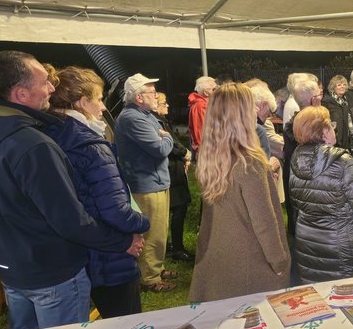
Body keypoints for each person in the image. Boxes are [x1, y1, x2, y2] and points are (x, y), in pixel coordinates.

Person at [0, 51, 142, 329]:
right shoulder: (34, 145)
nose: (51, 88)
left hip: (15, 268)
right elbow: (71, 220)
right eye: (45, 82)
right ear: (21, 93)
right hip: (52, 272)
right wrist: (121, 242)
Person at [44, 66, 150, 317]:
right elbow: (116, 210)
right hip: (110, 254)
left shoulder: (51, 133)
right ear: (82, 102)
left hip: (79, 251)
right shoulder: (90, 144)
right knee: (127, 328)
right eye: (99, 100)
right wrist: (143, 223)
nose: (103, 108)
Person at [189, 83, 291, 301]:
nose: (255, 111)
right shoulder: (249, 162)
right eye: (250, 106)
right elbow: (264, 222)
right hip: (251, 265)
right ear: (240, 115)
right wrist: (279, 261)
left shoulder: (212, 158)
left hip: (219, 259)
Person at [289, 106, 353, 283]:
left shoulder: (295, 159)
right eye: (331, 125)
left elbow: (297, 206)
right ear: (323, 131)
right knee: (348, 296)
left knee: (319, 299)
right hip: (344, 246)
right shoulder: (343, 162)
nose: (334, 129)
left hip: (308, 244)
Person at [116, 73, 177, 293]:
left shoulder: (144, 115)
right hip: (146, 183)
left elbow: (160, 141)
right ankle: (149, 278)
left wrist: (163, 136)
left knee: (159, 231)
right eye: (151, 92)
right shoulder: (133, 118)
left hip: (155, 181)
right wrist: (167, 137)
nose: (155, 96)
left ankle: (155, 268)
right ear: (139, 97)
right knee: (152, 233)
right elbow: (160, 148)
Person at [154, 92, 194, 262]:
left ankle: (170, 245)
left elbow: (173, 141)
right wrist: (185, 153)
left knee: (176, 209)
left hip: (173, 171)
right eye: (164, 103)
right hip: (171, 172)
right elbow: (170, 144)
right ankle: (176, 248)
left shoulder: (161, 121)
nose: (167, 106)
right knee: (177, 209)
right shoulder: (155, 122)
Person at [283, 73, 323, 242]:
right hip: (310, 190)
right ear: (314, 100)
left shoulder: (293, 124)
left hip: (293, 183)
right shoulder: (314, 128)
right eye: (319, 95)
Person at [321, 74, 353, 152]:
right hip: (335, 141)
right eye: (339, 85)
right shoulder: (327, 102)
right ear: (333, 87)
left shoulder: (346, 101)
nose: (342, 86)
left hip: (347, 139)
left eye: (344, 84)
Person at [187, 75, 216, 155]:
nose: (217, 91)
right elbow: (200, 129)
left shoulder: (203, 104)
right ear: (206, 92)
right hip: (208, 149)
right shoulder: (201, 105)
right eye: (214, 89)